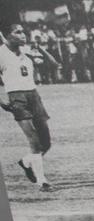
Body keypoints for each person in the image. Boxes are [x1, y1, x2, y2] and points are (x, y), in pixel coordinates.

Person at [0, 24, 58, 192]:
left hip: (34, 96)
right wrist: (1, 101)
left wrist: (40, 49)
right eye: (17, 32)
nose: (23, 34)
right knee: (33, 139)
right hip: (16, 97)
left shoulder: (27, 51)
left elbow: (54, 64)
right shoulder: (1, 54)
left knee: (45, 143)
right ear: (8, 36)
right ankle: (42, 182)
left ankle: (26, 162)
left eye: (23, 31)